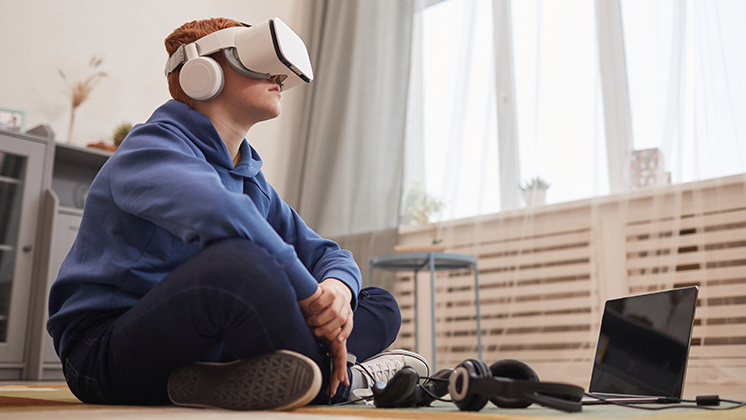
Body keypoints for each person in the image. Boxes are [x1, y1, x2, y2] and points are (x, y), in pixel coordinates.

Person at [46, 17, 428, 411]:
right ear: (201, 73)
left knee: (378, 302)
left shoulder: (249, 177)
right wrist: (311, 297)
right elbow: (223, 216)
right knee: (239, 262)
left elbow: (328, 253)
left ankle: (285, 374)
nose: (278, 75)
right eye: (255, 59)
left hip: (204, 353)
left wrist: (335, 293)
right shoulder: (148, 147)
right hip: (103, 352)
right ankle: (347, 379)